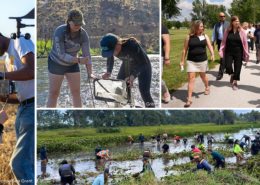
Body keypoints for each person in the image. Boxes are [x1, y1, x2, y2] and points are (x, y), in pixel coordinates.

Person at [0, 29, 35, 183]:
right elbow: (15, 95)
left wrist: (1, 75)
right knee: (28, 164)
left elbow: (31, 71)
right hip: (23, 109)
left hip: (33, 108)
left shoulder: (19, 41)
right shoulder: (8, 59)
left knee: (19, 164)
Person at [47, 9, 97, 108]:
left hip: (72, 64)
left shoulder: (83, 34)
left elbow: (87, 55)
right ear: (69, 21)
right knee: (54, 93)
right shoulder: (60, 31)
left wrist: (90, 72)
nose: (79, 26)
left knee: (76, 92)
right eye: (76, 24)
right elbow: (61, 54)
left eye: (80, 24)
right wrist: (79, 60)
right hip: (56, 63)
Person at [100, 33, 154, 108]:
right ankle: (122, 109)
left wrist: (133, 76)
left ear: (118, 45)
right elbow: (110, 59)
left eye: (111, 52)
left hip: (143, 67)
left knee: (145, 93)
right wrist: (109, 72)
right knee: (118, 89)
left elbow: (144, 64)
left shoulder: (132, 45)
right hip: (127, 65)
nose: (110, 54)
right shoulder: (112, 50)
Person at [180, 20, 215, 107]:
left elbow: (209, 46)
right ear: (195, 27)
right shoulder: (189, 37)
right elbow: (184, 50)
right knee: (191, 79)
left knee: (203, 77)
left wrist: (213, 54)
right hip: (191, 61)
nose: (202, 28)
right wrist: (182, 61)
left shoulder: (205, 36)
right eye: (200, 26)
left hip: (202, 60)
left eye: (203, 26)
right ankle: (189, 99)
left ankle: (207, 86)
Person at [219, 16, 249, 90]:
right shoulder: (227, 30)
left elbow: (245, 43)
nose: (237, 22)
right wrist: (221, 49)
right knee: (228, 66)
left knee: (237, 67)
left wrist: (246, 52)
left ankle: (235, 82)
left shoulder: (241, 31)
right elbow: (223, 41)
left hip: (238, 52)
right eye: (235, 21)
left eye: (238, 21)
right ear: (231, 22)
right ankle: (232, 74)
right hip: (229, 51)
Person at [211, 12, 230, 80]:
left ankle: (220, 73)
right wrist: (212, 44)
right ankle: (223, 68)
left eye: (224, 16)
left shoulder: (228, 24)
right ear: (219, 17)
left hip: (228, 42)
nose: (223, 17)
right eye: (221, 16)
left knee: (225, 58)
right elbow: (214, 34)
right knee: (222, 57)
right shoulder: (216, 25)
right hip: (220, 42)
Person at [161, 23, 170, 103]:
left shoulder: (163, 28)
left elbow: (167, 43)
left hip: (160, 56)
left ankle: (165, 91)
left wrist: (167, 58)